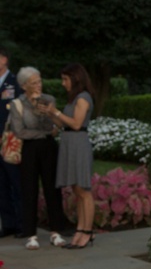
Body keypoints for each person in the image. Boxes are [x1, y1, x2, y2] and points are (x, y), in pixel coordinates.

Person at [9, 67, 70, 250]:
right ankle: (31, 234)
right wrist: (43, 132)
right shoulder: (17, 104)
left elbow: (56, 126)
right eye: (34, 82)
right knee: (29, 189)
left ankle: (56, 231)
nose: (38, 85)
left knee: (52, 188)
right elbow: (19, 131)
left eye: (40, 81)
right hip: (29, 149)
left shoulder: (49, 100)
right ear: (24, 86)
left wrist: (47, 112)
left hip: (49, 148)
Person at [47, 63, 95, 249]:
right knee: (77, 190)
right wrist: (51, 115)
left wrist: (56, 111)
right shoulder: (73, 99)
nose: (62, 83)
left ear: (75, 79)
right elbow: (63, 124)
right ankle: (80, 230)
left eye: (65, 79)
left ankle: (87, 232)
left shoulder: (83, 98)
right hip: (70, 144)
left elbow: (76, 124)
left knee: (84, 190)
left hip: (78, 145)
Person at [0, 47, 23, 238]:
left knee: (16, 182)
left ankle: (22, 224)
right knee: (1, 184)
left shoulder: (15, 83)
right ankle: (8, 224)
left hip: (9, 142)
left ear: (5, 59)